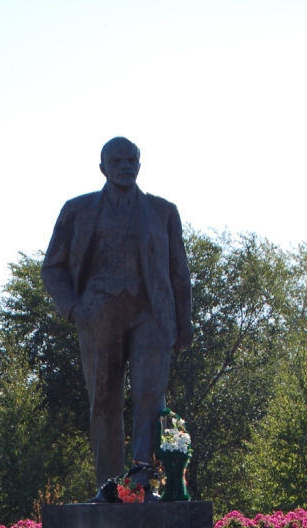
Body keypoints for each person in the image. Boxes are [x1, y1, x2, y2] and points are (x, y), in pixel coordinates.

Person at [41, 137, 193, 501]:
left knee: (150, 396)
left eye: (130, 160)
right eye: (116, 160)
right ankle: (109, 487)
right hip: (99, 312)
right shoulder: (78, 210)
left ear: (139, 164)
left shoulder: (163, 212)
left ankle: (141, 480)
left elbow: (179, 273)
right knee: (104, 400)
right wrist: (74, 308)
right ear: (103, 168)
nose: (124, 166)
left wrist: (183, 323)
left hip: (151, 313)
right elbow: (53, 267)